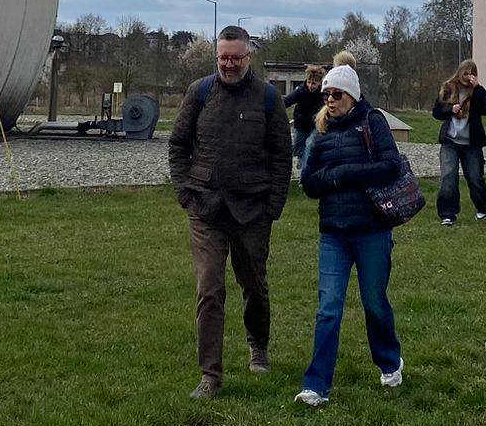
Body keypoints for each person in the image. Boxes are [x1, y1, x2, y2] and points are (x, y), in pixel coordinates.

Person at [168, 26, 295, 399]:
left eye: (236, 58)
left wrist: (273, 207)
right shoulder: (200, 92)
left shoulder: (268, 98)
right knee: (209, 289)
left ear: (248, 57)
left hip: (253, 210)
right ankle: (210, 375)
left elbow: (281, 156)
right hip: (205, 208)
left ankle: (258, 345)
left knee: (254, 285)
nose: (229, 64)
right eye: (223, 58)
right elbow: (178, 145)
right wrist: (184, 193)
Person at [295, 64, 407, 406]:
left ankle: (389, 361)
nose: (330, 100)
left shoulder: (372, 121)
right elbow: (308, 182)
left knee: (374, 303)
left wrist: (344, 173)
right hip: (334, 234)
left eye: (337, 94)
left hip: (372, 230)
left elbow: (390, 165)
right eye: (326, 94)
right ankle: (316, 385)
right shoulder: (320, 132)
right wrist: (330, 178)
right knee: (328, 308)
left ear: (352, 96)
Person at [431, 59, 486, 225]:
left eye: (471, 74)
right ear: (459, 73)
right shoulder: (448, 88)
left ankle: (482, 208)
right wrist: (449, 110)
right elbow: (436, 112)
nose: (468, 77)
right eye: (465, 74)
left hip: (471, 143)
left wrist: (478, 88)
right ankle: (447, 214)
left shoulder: (477, 91)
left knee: (474, 177)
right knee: (448, 177)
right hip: (450, 141)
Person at [287, 64, 327, 175]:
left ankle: (305, 173)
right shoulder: (301, 90)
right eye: (309, 82)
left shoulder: (323, 94)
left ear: (319, 83)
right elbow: (288, 100)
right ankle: (301, 160)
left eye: (314, 83)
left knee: (310, 144)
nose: (310, 86)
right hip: (301, 124)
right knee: (297, 147)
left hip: (315, 125)